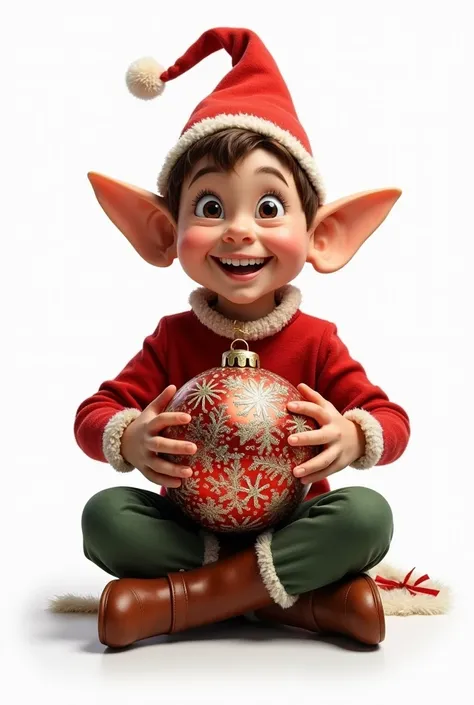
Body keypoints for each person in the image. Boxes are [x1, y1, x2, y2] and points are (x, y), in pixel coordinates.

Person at [75, 27, 410, 649]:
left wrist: (351, 434)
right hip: (186, 524)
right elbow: (92, 416)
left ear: (322, 235)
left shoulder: (315, 340)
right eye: (208, 208)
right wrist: (131, 436)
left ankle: (179, 603)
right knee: (104, 519)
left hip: (293, 522)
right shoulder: (172, 339)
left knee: (366, 517)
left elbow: (391, 421)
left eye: (269, 207)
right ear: (162, 230)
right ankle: (297, 605)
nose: (237, 232)